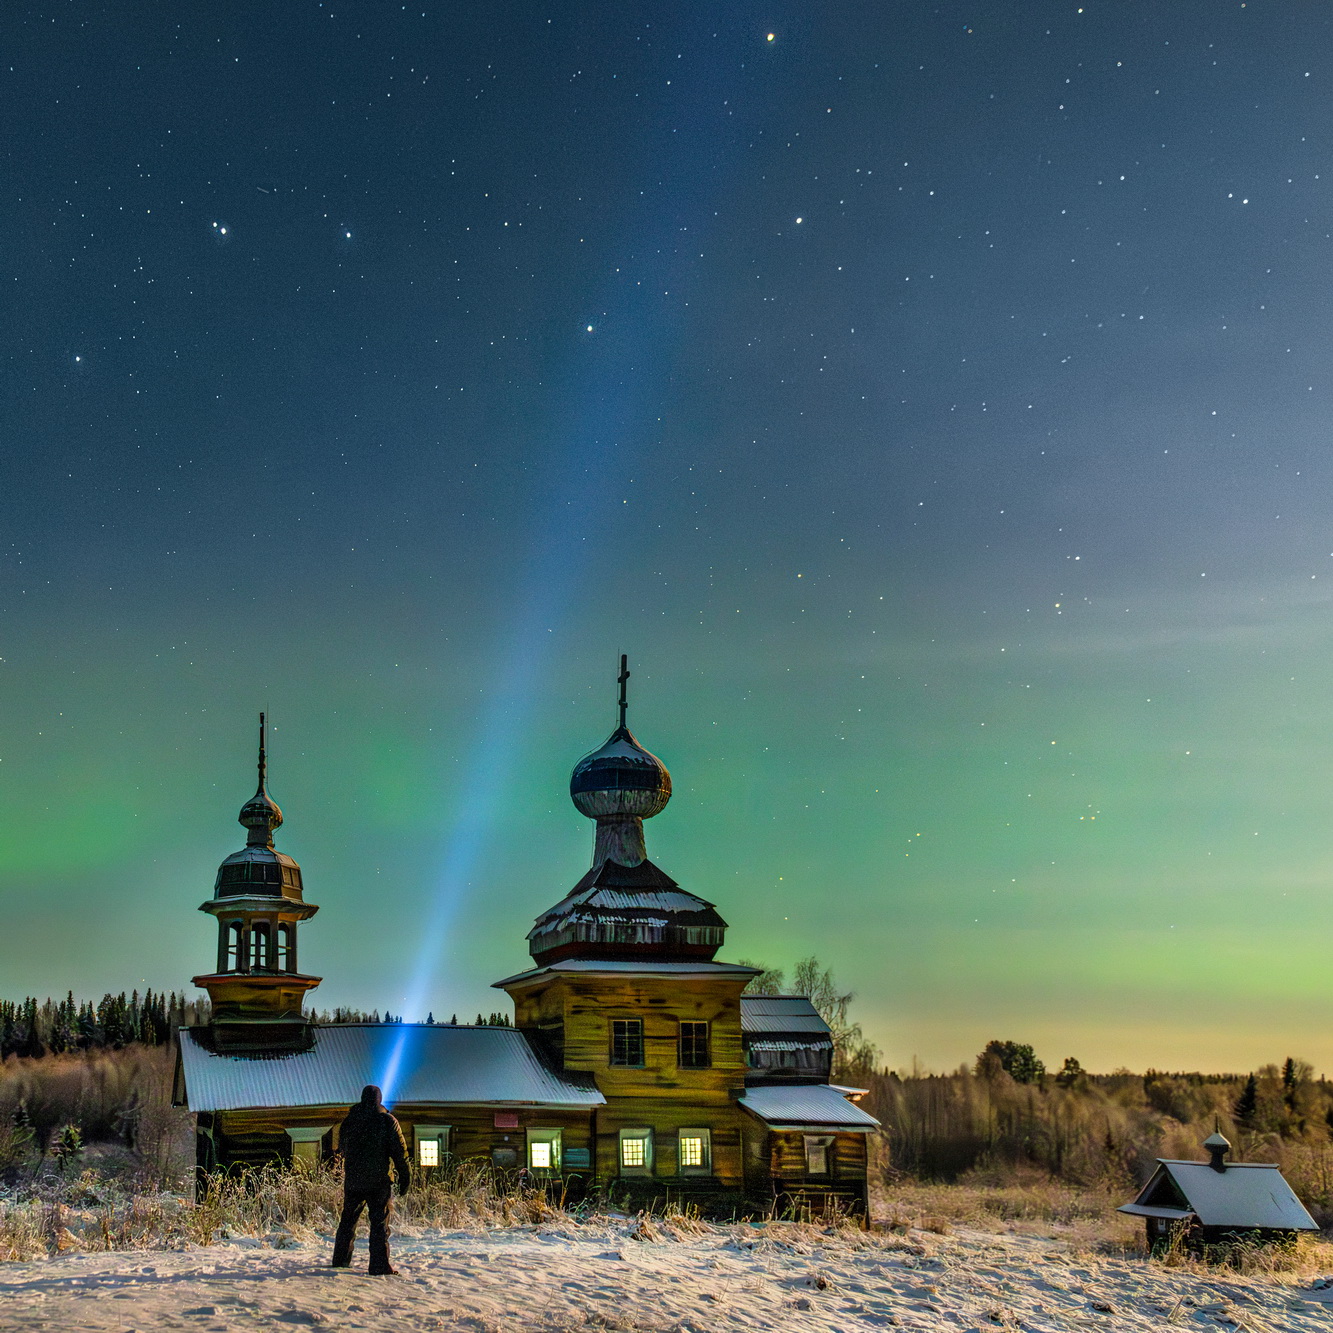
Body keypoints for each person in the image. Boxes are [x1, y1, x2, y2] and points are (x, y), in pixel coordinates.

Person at [330, 1084, 411, 1275]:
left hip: (354, 1181)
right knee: (379, 1225)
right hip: (379, 1182)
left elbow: (341, 1148)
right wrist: (405, 1177)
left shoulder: (349, 1122)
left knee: (347, 1222)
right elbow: (400, 1153)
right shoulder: (387, 1121)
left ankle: (340, 1261)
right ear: (379, 1100)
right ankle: (379, 1265)